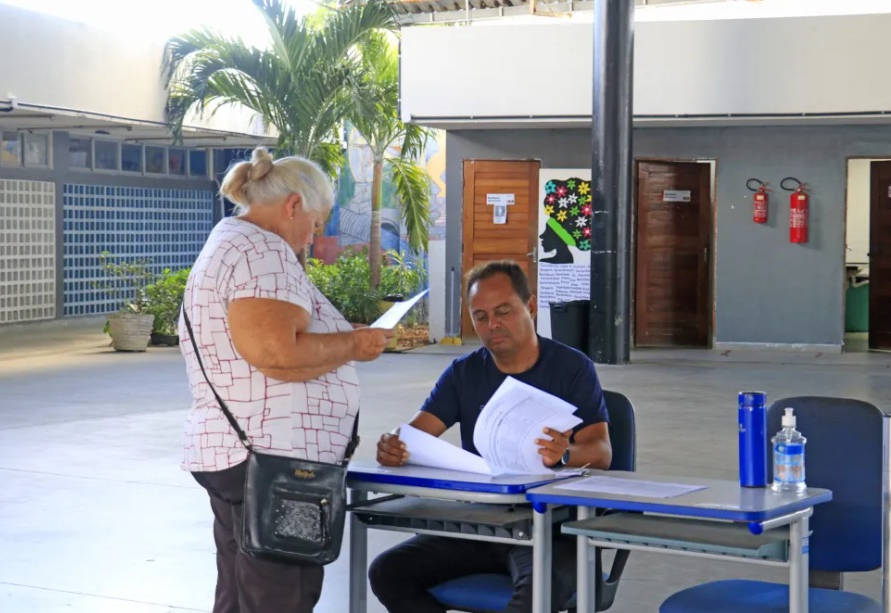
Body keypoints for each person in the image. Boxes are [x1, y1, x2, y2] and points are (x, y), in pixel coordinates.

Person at [179, 147, 392, 613]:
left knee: (244, 591)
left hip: (245, 452)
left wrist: (336, 337)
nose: (312, 238)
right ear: (293, 205)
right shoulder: (263, 251)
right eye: (315, 223)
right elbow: (276, 353)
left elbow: (272, 337)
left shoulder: (233, 243)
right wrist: (353, 347)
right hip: (274, 459)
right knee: (281, 595)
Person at [369, 260, 612, 613]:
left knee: (538, 592)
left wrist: (564, 454)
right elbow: (415, 435)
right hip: (485, 520)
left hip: (553, 524)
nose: (492, 324)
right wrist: (394, 445)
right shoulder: (464, 373)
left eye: (503, 311)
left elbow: (601, 453)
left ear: (529, 306)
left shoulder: (571, 368)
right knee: (388, 571)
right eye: (480, 316)